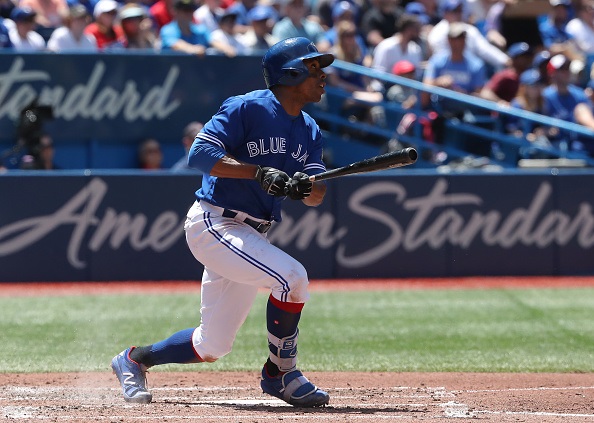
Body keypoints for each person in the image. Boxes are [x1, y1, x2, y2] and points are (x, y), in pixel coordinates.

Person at [111, 36, 332, 408]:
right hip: (214, 223)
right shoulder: (247, 107)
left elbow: (317, 194)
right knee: (292, 279)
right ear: (290, 73)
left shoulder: (309, 128)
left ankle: (134, 359)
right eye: (313, 67)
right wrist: (257, 172)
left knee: (211, 345)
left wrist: (304, 187)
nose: (322, 75)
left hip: (251, 233)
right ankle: (281, 373)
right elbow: (199, 153)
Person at [427, 0, 510, 70]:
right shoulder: (438, 32)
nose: (457, 14)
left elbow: (484, 49)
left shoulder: (469, 29)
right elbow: (439, 57)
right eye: (454, 11)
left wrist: (505, 60)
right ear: (445, 13)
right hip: (446, 70)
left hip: (469, 71)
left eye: (459, 10)